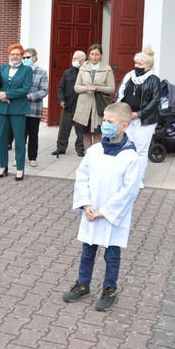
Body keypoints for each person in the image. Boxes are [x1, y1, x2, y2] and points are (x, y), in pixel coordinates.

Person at [61, 102, 140, 312]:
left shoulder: (131, 157)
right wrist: (86, 204)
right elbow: (82, 177)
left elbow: (129, 191)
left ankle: (109, 289)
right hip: (91, 211)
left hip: (112, 215)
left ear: (123, 126)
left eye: (110, 122)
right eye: (104, 120)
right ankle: (83, 284)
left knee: (112, 255)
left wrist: (103, 211)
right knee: (87, 251)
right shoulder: (94, 150)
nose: (105, 124)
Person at [115, 45, 161, 187]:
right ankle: (126, 177)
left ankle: (138, 179)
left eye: (140, 64)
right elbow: (119, 93)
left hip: (145, 120)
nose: (137, 66)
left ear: (148, 66)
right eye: (136, 63)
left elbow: (155, 100)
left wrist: (139, 114)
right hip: (127, 118)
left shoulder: (154, 79)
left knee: (140, 149)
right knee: (126, 148)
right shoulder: (129, 76)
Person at [0, 44, 32, 181]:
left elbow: (25, 89)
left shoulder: (27, 70)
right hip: (1, 108)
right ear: (8, 55)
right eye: (12, 54)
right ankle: (3, 166)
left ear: (21, 56)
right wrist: (0, 95)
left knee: (19, 140)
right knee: (2, 138)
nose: (15, 56)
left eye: (18, 54)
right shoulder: (1, 69)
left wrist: (7, 94)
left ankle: (20, 169)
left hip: (18, 109)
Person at [73, 44, 116, 147]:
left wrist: (98, 88)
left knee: (97, 134)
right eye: (92, 54)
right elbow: (76, 87)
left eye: (97, 54)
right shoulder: (83, 68)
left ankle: (97, 159)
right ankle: (88, 158)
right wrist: (85, 88)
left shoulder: (107, 68)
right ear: (88, 55)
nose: (94, 57)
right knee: (86, 135)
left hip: (99, 106)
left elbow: (111, 88)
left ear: (101, 55)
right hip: (84, 106)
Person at [53, 51, 87, 157]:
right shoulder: (67, 72)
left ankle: (80, 148)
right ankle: (61, 148)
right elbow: (60, 88)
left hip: (81, 106)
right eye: (73, 58)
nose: (73, 60)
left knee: (80, 129)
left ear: (83, 60)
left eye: (76, 58)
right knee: (64, 127)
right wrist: (61, 100)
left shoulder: (87, 73)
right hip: (68, 105)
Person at [21, 48, 48, 167]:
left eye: (28, 57)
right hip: (20, 109)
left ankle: (32, 157)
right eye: (24, 57)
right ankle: (19, 157)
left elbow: (44, 90)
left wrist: (30, 96)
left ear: (35, 58)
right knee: (20, 134)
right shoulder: (19, 71)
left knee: (33, 134)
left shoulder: (41, 72)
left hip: (34, 108)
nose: (26, 59)